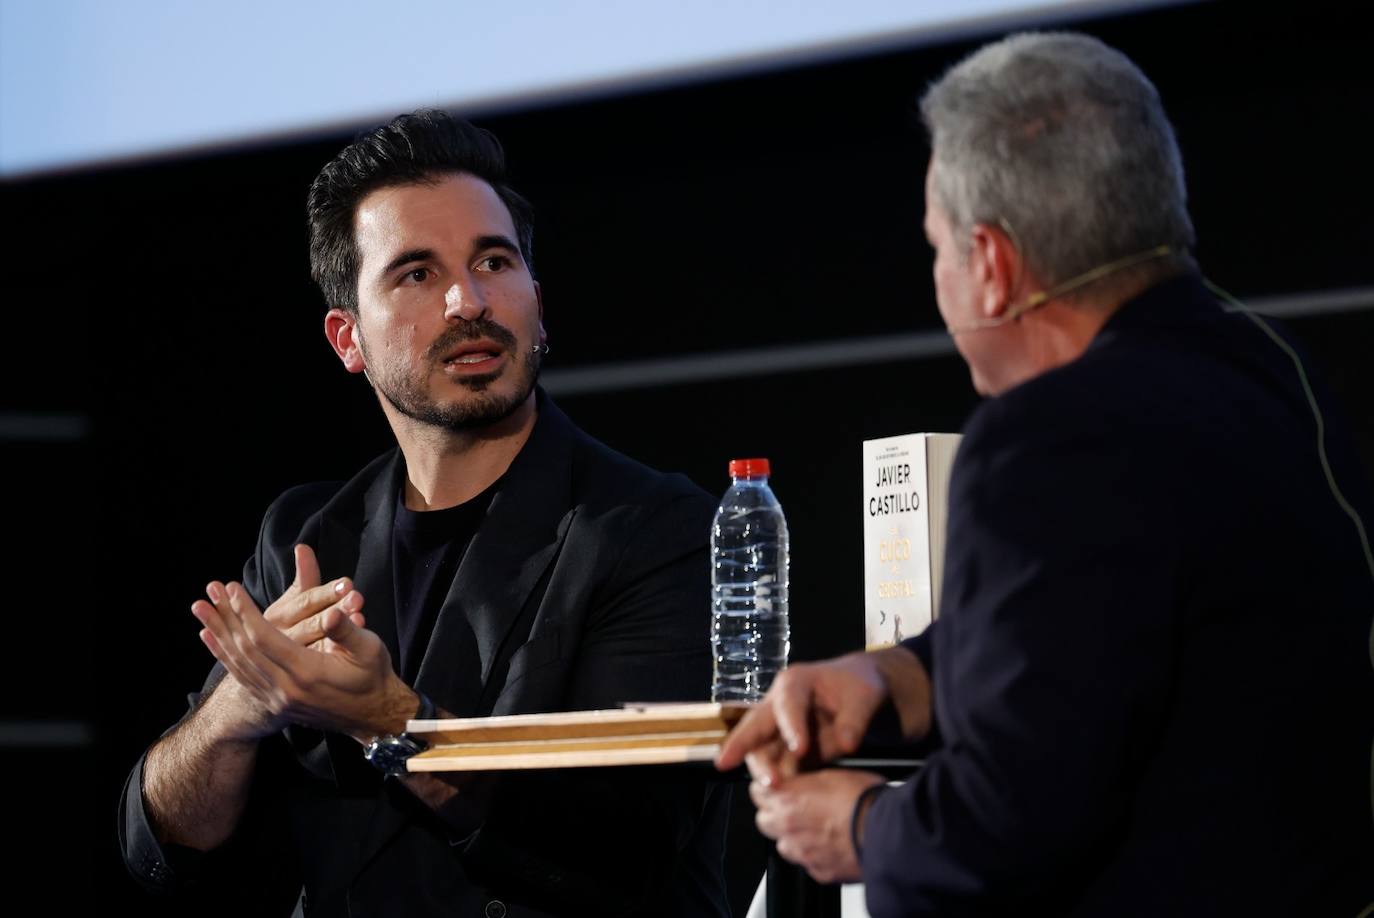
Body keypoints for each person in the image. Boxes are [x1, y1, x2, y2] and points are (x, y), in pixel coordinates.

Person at [718, 31, 1374, 916]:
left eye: (937, 250)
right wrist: (892, 679)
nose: (939, 283)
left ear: (990, 266)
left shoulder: (1045, 438)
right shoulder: (1273, 365)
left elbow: (1004, 828)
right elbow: (1101, 640)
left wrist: (863, 830)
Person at [120, 110, 729, 917]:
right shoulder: (303, 537)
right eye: (415, 273)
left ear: (537, 304)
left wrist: (385, 719)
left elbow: (626, 847)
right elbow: (160, 842)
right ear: (348, 339)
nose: (467, 300)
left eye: (493, 261)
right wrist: (240, 708)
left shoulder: (656, 529)